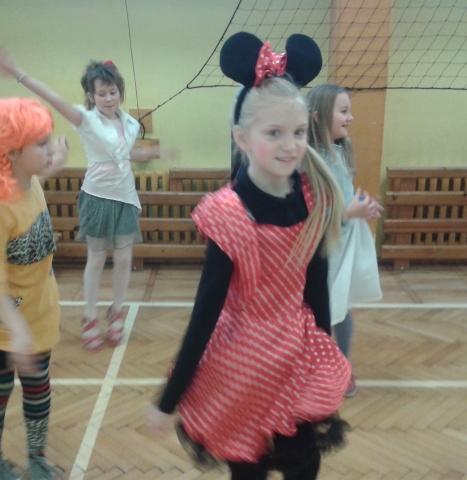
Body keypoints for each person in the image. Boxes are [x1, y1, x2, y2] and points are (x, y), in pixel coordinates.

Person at [147, 32, 351, 480]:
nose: (289, 145)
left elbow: (317, 292)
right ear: (242, 137)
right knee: (248, 469)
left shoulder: (313, 199)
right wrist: (169, 398)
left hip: (294, 357)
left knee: (303, 464)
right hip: (241, 367)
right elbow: (206, 311)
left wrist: (324, 364)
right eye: (274, 133)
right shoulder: (229, 214)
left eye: (298, 133)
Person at [0, 48, 159, 353]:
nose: (108, 98)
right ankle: (89, 316)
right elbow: (52, 97)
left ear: (120, 92)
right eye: (101, 94)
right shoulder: (86, 120)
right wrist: (17, 72)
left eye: (113, 92)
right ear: (91, 96)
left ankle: (116, 310)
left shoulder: (130, 124)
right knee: (97, 259)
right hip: (97, 197)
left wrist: (146, 154)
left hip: (125, 197)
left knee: (124, 259)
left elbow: (122, 154)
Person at [0, 97, 67, 480]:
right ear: (14, 152)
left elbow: (44, 172)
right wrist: (18, 333)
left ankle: (36, 457)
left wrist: (58, 157)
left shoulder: (28, 180)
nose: (49, 149)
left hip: (36, 309)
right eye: (42, 143)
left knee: (38, 387)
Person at [306, 84, 383, 398]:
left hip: (342, 243)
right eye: (343, 111)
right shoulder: (309, 159)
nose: (350, 117)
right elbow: (314, 212)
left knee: (342, 306)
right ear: (318, 117)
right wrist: (348, 212)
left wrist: (362, 207)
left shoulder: (340, 151)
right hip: (320, 248)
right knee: (320, 310)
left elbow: (344, 198)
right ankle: (316, 369)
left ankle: (342, 366)